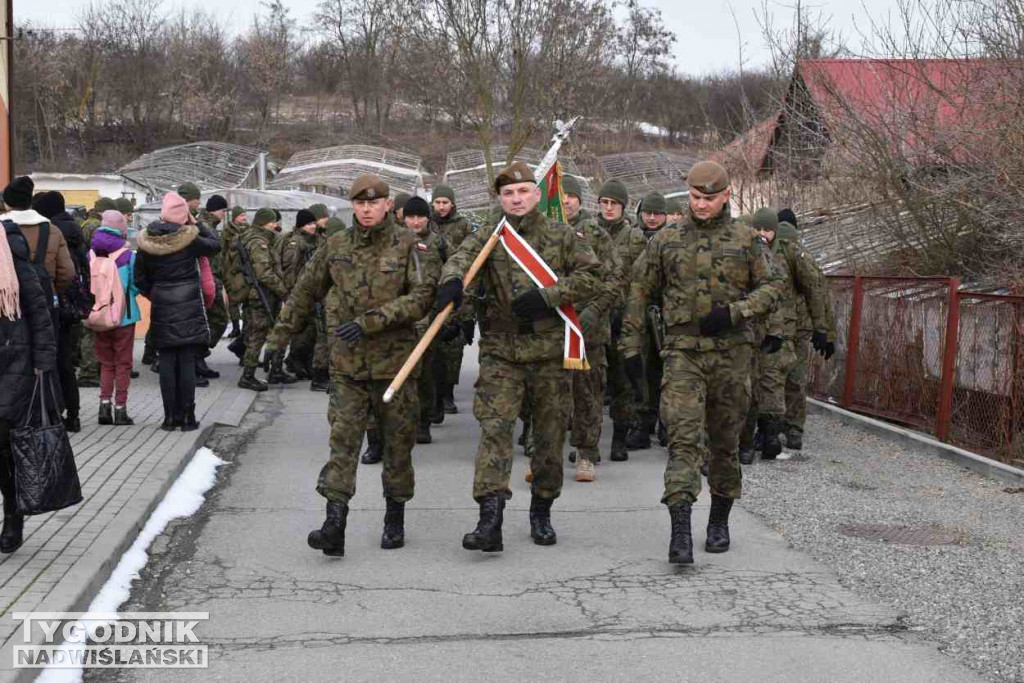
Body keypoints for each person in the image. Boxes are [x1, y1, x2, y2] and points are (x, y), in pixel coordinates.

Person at [266, 174, 440, 557]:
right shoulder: (336, 245)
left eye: (373, 203)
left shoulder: (410, 245)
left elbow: (423, 297)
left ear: (386, 204)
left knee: (397, 446)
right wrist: (278, 337)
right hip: (347, 368)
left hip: (395, 366)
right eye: (359, 203)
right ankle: (335, 523)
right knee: (342, 444)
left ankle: (394, 515)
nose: (365, 209)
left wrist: (371, 321)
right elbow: (305, 291)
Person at [620, 161, 783, 565]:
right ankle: (680, 532)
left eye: (709, 199)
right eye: (694, 198)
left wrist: (737, 312)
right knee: (682, 440)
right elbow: (640, 289)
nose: (701, 205)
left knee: (725, 443)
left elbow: (774, 286)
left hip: (732, 356)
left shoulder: (746, 240)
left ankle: (719, 522)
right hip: (682, 354)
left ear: (725, 196)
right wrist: (629, 346)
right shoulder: (667, 239)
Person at [438, 161, 602, 552]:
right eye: (508, 194)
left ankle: (541, 510)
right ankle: (489, 518)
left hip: (548, 351)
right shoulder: (490, 235)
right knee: (495, 430)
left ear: (536, 194)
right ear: (500, 198)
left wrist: (548, 296)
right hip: (501, 351)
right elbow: (461, 260)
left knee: (548, 437)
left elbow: (593, 277)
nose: (516, 199)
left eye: (523, 192)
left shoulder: (562, 235)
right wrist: (450, 282)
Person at [135, 192, 221, 431]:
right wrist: (198, 223)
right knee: (186, 362)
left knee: (166, 361)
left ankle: (169, 418)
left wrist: (157, 294)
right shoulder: (190, 238)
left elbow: (139, 279)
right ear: (184, 215)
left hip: (162, 304)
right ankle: (188, 417)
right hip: (189, 305)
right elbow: (216, 245)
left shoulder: (147, 240)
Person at [0, 218, 59, 554]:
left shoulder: (17, 264)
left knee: (4, 444)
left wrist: (42, 362)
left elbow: (41, 315)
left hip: (15, 363)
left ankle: (13, 513)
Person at [561, 178, 624, 483]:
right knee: (550, 393)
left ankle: (586, 453)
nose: (567, 201)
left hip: (590, 328)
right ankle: (544, 454)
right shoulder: (543, 233)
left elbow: (614, 280)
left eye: (572, 196)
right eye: (561, 196)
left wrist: (594, 310)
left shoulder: (595, 233)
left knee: (588, 392)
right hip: (553, 327)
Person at [1, 178, 76, 431]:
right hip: (44, 299)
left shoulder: (3, 231)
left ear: (7, 202)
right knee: (49, 359)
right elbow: (67, 271)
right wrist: (52, 288)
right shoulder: (50, 229)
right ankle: (52, 412)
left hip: (8, 310)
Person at [778, 210, 836, 450]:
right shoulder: (804, 257)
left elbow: (817, 294)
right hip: (796, 328)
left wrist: (825, 332)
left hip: (793, 328)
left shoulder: (799, 258)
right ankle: (791, 427)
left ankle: (785, 427)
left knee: (782, 378)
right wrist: (826, 332)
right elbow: (822, 296)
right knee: (794, 379)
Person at [597, 180, 645, 462]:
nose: (609, 208)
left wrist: (630, 320)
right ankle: (586, 441)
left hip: (622, 319)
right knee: (589, 383)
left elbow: (640, 281)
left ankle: (619, 439)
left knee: (622, 383)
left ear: (623, 207)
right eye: (604, 203)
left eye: (614, 203)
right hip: (593, 318)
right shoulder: (588, 232)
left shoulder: (634, 237)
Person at [626, 190, 670, 451]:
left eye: (657, 213)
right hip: (638, 312)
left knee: (666, 372)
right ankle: (641, 424)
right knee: (640, 372)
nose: (652, 218)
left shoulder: (675, 239)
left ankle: (666, 425)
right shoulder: (631, 238)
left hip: (666, 315)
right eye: (648, 213)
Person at [91, 210, 142, 426]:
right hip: (124, 316)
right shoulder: (128, 256)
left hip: (99, 315)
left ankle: (104, 406)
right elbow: (135, 286)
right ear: (121, 228)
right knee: (123, 363)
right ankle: (120, 409)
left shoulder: (91, 254)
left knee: (106, 363)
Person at [402, 196, 445, 444]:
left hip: (429, 318)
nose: (415, 222)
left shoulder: (438, 242)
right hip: (400, 317)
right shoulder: (394, 240)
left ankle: (423, 421)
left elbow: (451, 273)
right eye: (410, 217)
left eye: (420, 217)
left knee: (424, 373)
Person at [430, 184, 476, 417]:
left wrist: (468, 313)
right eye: (437, 202)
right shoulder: (425, 223)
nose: (441, 207)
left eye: (445, 203)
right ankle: (433, 396)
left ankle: (448, 392)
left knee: (452, 347)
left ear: (452, 204)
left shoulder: (464, 225)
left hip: (458, 287)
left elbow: (470, 263)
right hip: (431, 288)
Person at [237, 209, 293, 392]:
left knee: (262, 334)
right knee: (257, 336)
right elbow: (264, 274)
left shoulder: (258, 238)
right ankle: (248, 376)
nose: (274, 225)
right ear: (264, 222)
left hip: (264, 295)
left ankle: (271, 370)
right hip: (262, 296)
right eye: (272, 222)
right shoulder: (258, 242)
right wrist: (284, 292)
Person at [277, 209, 320, 380]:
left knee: (309, 329)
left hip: (309, 292)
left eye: (313, 223)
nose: (313, 226)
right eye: (309, 224)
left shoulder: (309, 241)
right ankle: (294, 361)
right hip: (298, 293)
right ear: (302, 225)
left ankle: (300, 362)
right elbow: (290, 270)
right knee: (302, 328)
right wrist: (290, 294)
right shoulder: (296, 243)